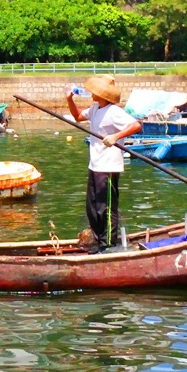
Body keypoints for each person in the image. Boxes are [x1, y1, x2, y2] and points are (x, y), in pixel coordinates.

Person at [67, 75, 143, 253]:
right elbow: (78, 116)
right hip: (95, 165)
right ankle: (100, 241)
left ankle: (108, 245)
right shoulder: (95, 109)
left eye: (95, 91)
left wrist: (116, 136)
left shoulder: (114, 111)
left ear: (102, 94)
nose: (92, 93)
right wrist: (69, 99)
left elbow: (136, 125)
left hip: (109, 167)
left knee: (106, 208)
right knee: (92, 207)